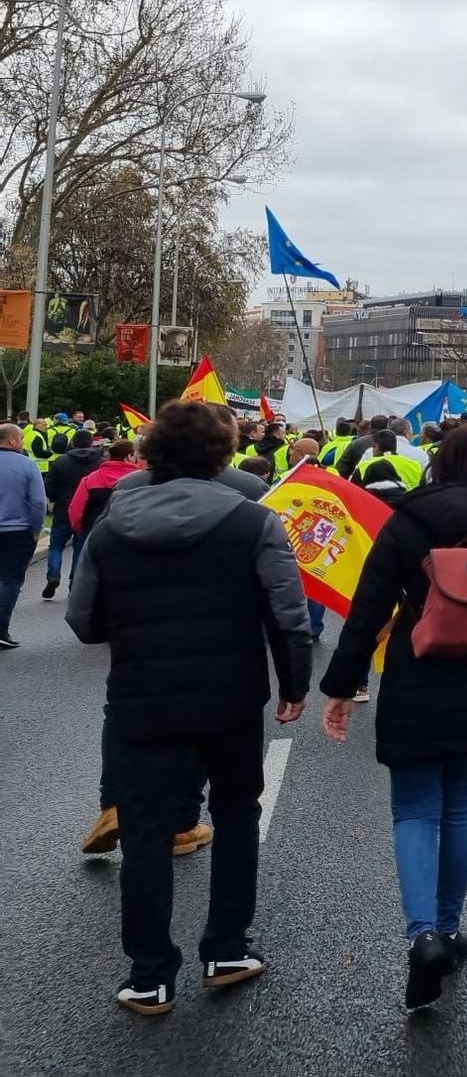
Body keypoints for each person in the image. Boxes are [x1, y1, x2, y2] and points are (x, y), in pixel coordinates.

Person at [65, 399, 311, 1016]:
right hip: (230, 697)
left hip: (141, 701)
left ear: (150, 453)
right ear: (224, 457)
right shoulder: (254, 522)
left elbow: (84, 621)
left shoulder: (112, 526)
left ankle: (149, 974)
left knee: (146, 832)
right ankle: (226, 949)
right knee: (235, 815)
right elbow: (288, 614)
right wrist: (294, 685)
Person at [320, 424, 467, 1009]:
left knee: (416, 810)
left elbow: (369, 607)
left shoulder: (411, 517)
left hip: (418, 675)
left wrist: (342, 685)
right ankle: (448, 927)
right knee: (464, 806)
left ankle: (421, 935)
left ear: (437, 462)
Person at [0, 423, 48, 650]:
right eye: (20, 438)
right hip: (16, 531)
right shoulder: (27, 465)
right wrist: (36, 529)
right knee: (10, 580)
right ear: (11, 440)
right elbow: (38, 502)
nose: (22, 442)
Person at [42, 425, 104, 598]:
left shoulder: (61, 461)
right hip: (88, 511)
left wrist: (54, 498)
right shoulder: (99, 463)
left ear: (73, 443)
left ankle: (53, 575)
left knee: (56, 545)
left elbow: (50, 486)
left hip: (63, 509)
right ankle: (74, 584)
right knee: (80, 549)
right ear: (91, 443)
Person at [68, 437, 143, 540]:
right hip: (131, 534)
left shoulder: (90, 479)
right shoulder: (142, 479)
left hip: (95, 531)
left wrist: (81, 529)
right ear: (129, 456)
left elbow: (76, 508)